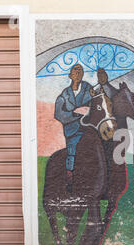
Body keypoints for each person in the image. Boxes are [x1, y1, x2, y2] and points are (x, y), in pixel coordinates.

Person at [54, 63, 93, 193]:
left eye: (80, 70)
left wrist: (88, 111)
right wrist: (75, 113)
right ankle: (70, 180)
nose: (78, 73)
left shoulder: (89, 90)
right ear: (70, 75)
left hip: (90, 128)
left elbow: (97, 105)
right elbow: (59, 114)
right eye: (75, 71)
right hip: (73, 131)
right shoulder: (65, 94)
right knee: (73, 151)